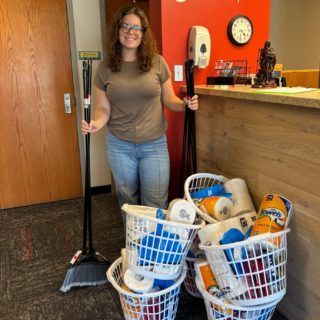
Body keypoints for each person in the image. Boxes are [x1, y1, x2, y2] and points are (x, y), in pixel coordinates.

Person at [81, 6, 198, 212]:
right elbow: (103, 108)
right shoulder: (105, 68)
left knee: (155, 203)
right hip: (119, 145)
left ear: (143, 33)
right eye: (125, 26)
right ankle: (133, 243)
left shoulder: (157, 63)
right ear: (117, 30)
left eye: (137, 27)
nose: (131, 31)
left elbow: (169, 100)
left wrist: (185, 105)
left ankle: (152, 243)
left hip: (154, 145)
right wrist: (96, 123)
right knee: (128, 202)